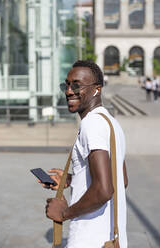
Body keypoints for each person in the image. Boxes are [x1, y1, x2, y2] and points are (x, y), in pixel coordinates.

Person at [40, 60, 128, 248]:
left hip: (90, 239)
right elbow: (122, 180)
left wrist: (64, 213)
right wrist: (74, 179)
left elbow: (104, 190)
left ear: (97, 89)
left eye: (77, 85)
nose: (69, 91)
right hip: (112, 239)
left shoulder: (92, 124)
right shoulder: (112, 124)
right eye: (67, 84)